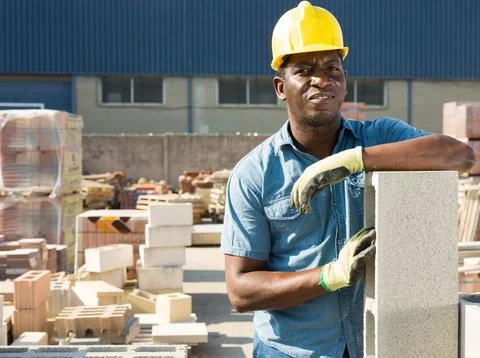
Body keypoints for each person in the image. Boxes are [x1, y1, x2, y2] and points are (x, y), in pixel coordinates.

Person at [221, 1, 475, 357]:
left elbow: (460, 156)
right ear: (281, 87)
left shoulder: (379, 138)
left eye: (331, 68)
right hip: (292, 350)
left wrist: (354, 161)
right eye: (304, 70)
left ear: (344, 82)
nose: (321, 80)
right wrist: (329, 276)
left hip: (374, 344)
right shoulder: (255, 175)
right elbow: (241, 290)